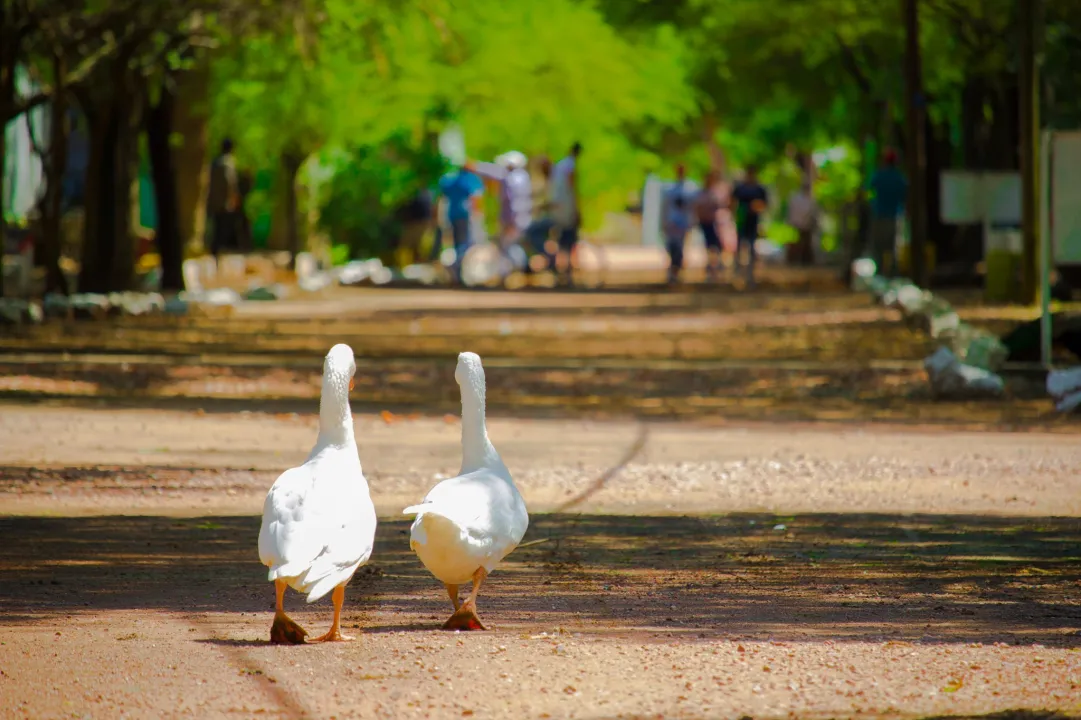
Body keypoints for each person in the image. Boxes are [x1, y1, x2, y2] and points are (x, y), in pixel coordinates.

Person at [436, 163, 484, 282]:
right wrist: (478, 215)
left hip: (451, 214)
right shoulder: (470, 180)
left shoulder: (450, 179)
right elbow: (475, 198)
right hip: (465, 215)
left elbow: (440, 196)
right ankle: (460, 271)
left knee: (456, 244)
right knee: (465, 244)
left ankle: (457, 271)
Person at [868, 148, 907, 277]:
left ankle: (879, 270)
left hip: (879, 214)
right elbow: (905, 195)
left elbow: (869, 188)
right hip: (895, 215)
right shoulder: (900, 178)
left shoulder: (879, 175)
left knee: (878, 245)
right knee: (894, 246)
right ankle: (893, 270)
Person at [549, 142, 582, 285]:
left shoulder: (560, 165)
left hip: (558, 208)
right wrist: (577, 209)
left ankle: (559, 274)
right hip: (567, 209)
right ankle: (566, 275)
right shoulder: (570, 166)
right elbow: (572, 188)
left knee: (561, 242)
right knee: (568, 243)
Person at [730, 164, 768, 288]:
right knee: (739, 248)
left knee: (751, 248)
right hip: (741, 222)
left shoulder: (759, 189)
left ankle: (751, 275)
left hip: (753, 223)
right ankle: (737, 274)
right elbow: (732, 203)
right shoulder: (740, 188)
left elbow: (764, 205)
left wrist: (756, 207)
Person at [205, 138, 240, 264]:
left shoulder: (214, 162)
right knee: (222, 230)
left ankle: (214, 253)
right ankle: (217, 255)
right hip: (224, 203)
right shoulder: (227, 163)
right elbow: (229, 182)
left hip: (214, 201)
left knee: (215, 227)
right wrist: (232, 198)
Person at [662, 165, 694, 285]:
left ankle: (677, 271)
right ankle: (672, 271)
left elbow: (692, 208)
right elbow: (665, 207)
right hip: (672, 223)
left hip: (683, 224)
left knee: (680, 249)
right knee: (671, 247)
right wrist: (664, 222)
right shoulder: (670, 189)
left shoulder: (690, 189)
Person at [694, 170, 725, 281]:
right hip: (705, 223)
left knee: (716, 245)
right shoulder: (701, 193)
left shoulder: (715, 193)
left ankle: (715, 266)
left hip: (715, 223)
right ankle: (711, 267)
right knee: (709, 246)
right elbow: (698, 208)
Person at [786, 178, 819, 267]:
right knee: (800, 242)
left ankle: (803, 261)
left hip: (804, 224)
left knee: (805, 243)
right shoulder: (799, 198)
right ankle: (796, 260)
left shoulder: (808, 199)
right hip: (799, 224)